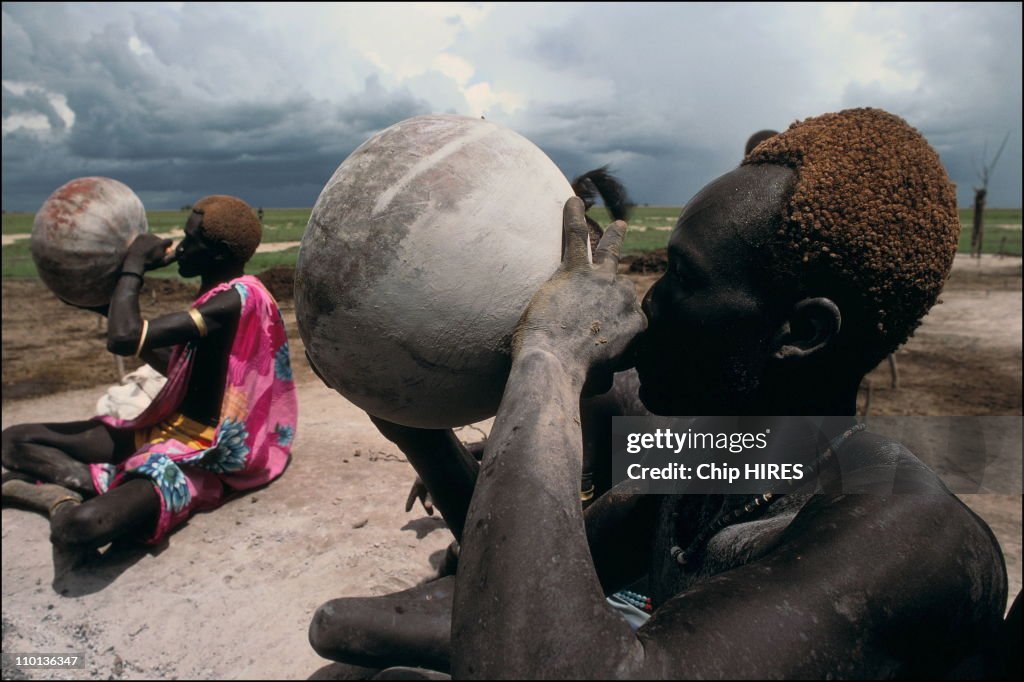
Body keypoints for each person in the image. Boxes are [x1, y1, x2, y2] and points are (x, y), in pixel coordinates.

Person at [307, 108, 1012, 679]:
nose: (648, 307)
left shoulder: (908, 536)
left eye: (681, 277)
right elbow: (529, 580)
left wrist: (550, 356)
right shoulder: (741, 453)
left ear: (798, 332)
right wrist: (414, 419)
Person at [2, 195, 298, 582]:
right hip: (163, 431)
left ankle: (64, 498)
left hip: (197, 455)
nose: (180, 248)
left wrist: (134, 265)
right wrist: (95, 300)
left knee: (79, 528)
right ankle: (103, 483)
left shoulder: (231, 302)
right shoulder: (227, 296)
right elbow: (174, 366)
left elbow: (125, 339)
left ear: (218, 254)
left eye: (192, 241)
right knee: (12, 441)